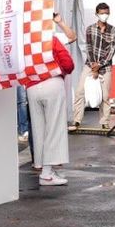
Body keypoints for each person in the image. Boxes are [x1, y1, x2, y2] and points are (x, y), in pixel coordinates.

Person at [28, 12, 77, 186]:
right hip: (52, 83)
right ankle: (47, 173)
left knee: (39, 129)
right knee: (54, 128)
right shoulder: (51, 39)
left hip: (31, 86)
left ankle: (42, 167)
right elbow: (68, 64)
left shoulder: (26, 41)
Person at [72, 2, 115, 129]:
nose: (104, 15)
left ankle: (104, 122)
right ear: (97, 14)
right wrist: (93, 67)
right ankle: (77, 120)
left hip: (105, 67)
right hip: (90, 65)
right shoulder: (90, 29)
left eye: (106, 13)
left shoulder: (113, 30)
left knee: (105, 95)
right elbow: (89, 48)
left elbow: (111, 51)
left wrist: (100, 65)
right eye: (102, 13)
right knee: (80, 91)